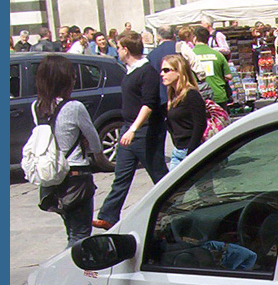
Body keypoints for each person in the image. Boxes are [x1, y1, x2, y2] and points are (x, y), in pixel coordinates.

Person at [93, 32, 167, 230]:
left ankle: (173, 207)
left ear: (126, 49)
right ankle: (108, 215)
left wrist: (133, 129)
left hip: (145, 131)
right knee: (122, 175)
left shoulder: (147, 71)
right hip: (128, 128)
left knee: (158, 173)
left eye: (118, 47)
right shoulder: (130, 70)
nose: (117, 51)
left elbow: (149, 104)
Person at [30, 54, 105, 246]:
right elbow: (96, 143)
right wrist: (90, 149)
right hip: (76, 177)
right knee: (80, 235)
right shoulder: (74, 107)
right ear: (65, 80)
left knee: (71, 230)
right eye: (72, 76)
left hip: (53, 178)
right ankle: (74, 272)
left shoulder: (36, 107)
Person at [160, 54, 206, 169]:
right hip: (177, 152)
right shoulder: (173, 96)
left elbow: (200, 124)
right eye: (162, 70)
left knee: (201, 187)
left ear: (179, 71)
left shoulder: (191, 95)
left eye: (166, 70)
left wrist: (191, 152)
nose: (162, 74)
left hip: (191, 151)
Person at [192, 25, 234, 110]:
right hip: (218, 94)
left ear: (195, 38)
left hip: (199, 96)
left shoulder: (190, 55)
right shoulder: (218, 54)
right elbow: (229, 76)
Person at [147, 25, 177, 105]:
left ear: (158, 37)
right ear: (173, 35)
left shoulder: (152, 55)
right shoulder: (181, 49)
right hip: (180, 94)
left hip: (162, 97)